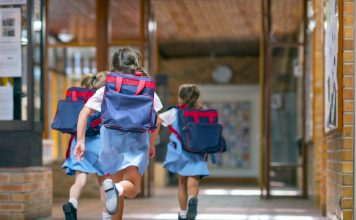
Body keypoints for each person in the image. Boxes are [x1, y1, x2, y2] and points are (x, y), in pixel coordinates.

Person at [74, 47, 163, 215]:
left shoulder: (106, 88)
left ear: (113, 66)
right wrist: (151, 143)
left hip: (110, 141)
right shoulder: (146, 88)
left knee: (116, 197)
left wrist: (80, 141)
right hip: (136, 142)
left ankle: (114, 188)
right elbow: (158, 119)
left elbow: (84, 112)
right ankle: (115, 188)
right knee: (132, 187)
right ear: (135, 65)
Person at [62, 72, 120, 220]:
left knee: (79, 181)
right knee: (103, 184)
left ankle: (72, 203)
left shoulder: (81, 100)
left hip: (79, 143)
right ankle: (106, 216)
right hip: (98, 143)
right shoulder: (103, 98)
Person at [158, 84, 210, 220]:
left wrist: (152, 140)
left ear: (180, 98)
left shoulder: (174, 112)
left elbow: (157, 120)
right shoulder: (203, 111)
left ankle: (182, 213)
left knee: (182, 183)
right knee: (194, 182)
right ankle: (193, 199)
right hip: (197, 151)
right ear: (196, 97)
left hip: (180, 151)